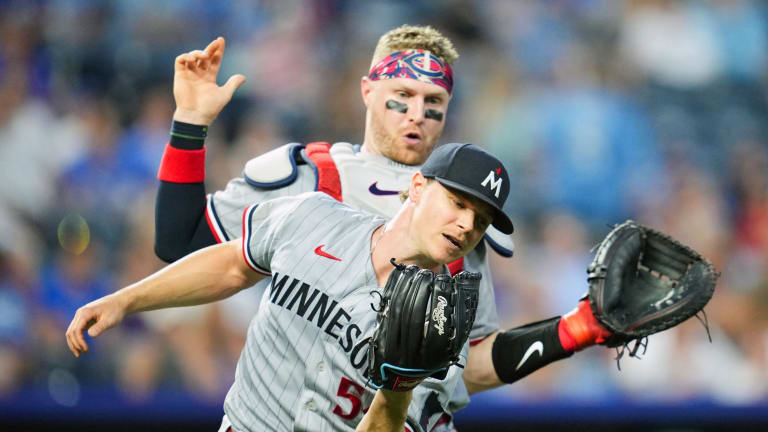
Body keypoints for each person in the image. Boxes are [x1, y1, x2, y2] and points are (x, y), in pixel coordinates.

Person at [153, 26, 613, 429]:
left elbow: (464, 366)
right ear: (368, 90)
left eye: (433, 101)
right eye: (404, 94)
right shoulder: (312, 175)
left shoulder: (463, 216)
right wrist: (191, 124)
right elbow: (181, 242)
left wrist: (573, 331)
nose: (417, 112)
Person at [67, 142, 515, 432]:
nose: (466, 225)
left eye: (481, 220)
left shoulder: (442, 330)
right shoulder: (314, 216)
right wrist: (126, 299)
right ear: (417, 187)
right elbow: (233, 264)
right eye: (457, 203)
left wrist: (397, 389)